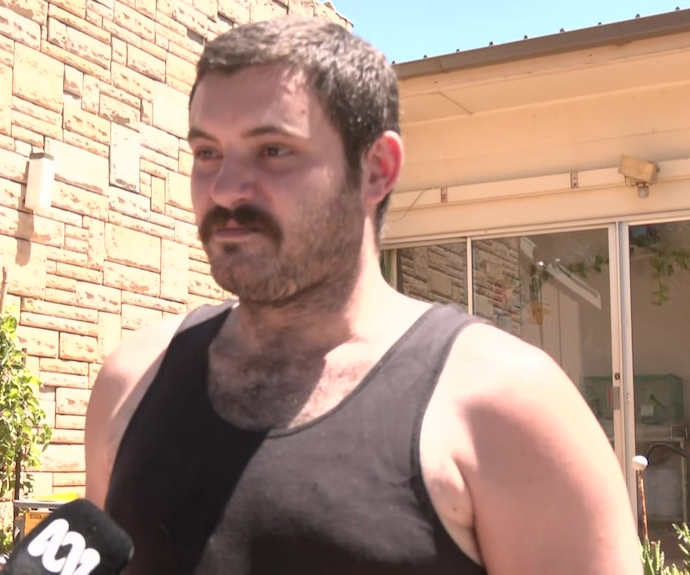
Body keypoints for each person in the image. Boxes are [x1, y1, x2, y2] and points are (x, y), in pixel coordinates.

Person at [84, 16, 642, 575]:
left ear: (377, 170)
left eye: (273, 150)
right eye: (207, 153)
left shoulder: (508, 409)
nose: (226, 188)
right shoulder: (132, 382)